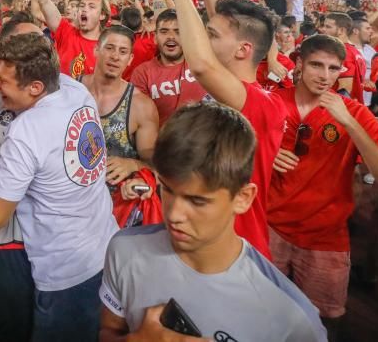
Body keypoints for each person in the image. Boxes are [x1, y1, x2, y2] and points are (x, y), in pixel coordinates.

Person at [99, 102, 326, 342]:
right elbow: (109, 332)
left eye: (197, 201)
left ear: (242, 198)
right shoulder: (124, 249)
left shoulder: (292, 318)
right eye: (167, 189)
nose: (175, 214)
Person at [0, 32, 119, 341]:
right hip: (103, 245)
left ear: (35, 87)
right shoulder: (74, 89)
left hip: (65, 269)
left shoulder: (28, 128)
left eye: (4, 82)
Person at [267, 34, 378, 336]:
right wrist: (265, 152)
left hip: (325, 236)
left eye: (334, 69)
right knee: (263, 309)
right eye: (317, 65)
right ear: (300, 64)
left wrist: (350, 123)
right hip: (270, 228)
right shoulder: (272, 102)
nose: (325, 76)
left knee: (326, 319)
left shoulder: (355, 113)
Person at [163, 0, 286, 259]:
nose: (202, 40)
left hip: (235, 249)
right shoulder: (242, 92)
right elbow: (227, 29)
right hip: (200, 237)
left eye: (211, 36)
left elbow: (203, 64)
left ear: (244, 50)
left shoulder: (263, 103)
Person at [0, 14, 47, 342]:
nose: (37, 51)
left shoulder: (62, 97)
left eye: (41, 44)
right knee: (4, 324)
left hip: (46, 240)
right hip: (1, 240)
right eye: (25, 45)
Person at [81, 25, 160, 226]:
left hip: (115, 213)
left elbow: (157, 165)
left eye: (123, 51)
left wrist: (134, 165)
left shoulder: (140, 105)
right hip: (70, 206)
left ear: (130, 59)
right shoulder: (71, 90)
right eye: (110, 48)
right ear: (96, 50)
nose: (115, 56)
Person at [130, 9, 207, 126]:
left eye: (178, 31)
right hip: (164, 142)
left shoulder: (202, 63)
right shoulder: (142, 73)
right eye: (164, 31)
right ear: (155, 37)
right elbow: (143, 123)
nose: (171, 37)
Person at [319, 11, 367, 104]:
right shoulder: (354, 50)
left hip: (340, 108)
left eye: (328, 27)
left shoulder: (343, 52)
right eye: (323, 26)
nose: (323, 29)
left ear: (341, 30)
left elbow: (345, 88)